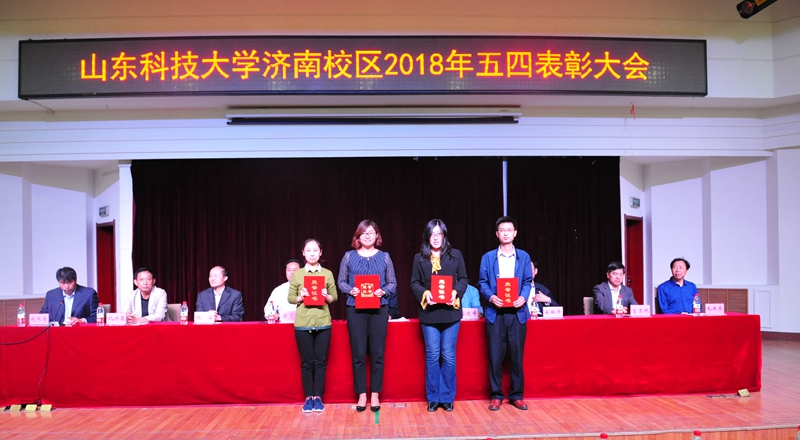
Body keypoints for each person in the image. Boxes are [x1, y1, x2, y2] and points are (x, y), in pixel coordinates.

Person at [337, 219, 397, 413]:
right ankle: (362, 394)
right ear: (358, 236)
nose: (367, 236)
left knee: (378, 353)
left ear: (377, 235)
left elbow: (392, 283)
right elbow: (341, 281)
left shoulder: (385, 257)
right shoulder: (349, 256)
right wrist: (351, 290)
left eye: (371, 232)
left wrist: (383, 291)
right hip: (355, 308)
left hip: (379, 309)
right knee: (358, 352)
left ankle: (375, 393)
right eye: (364, 233)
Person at [410, 219, 468, 412]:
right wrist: (425, 294)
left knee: (449, 355)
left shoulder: (455, 255)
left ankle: (447, 397)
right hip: (430, 314)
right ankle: (433, 397)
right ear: (427, 237)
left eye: (439, 234)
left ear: (444, 236)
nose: (436, 238)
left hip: (451, 313)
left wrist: (455, 292)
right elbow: (414, 283)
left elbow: (464, 279)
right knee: (433, 355)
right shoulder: (419, 258)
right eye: (432, 234)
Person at [478, 216, 533, 411]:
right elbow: (482, 282)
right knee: (495, 356)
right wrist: (491, 297)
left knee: (516, 357)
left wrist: (524, 297)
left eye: (509, 230)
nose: (506, 233)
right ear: (497, 234)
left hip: (517, 313)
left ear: (515, 233)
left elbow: (527, 281)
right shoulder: (488, 257)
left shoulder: (523, 257)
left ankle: (517, 395)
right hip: (496, 313)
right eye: (502, 230)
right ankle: (496, 395)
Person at [288, 238, 338, 413]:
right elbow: (290, 298)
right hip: (303, 324)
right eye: (308, 250)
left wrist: (326, 296)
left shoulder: (327, 273)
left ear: (320, 252)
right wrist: (300, 297)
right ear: (303, 252)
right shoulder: (298, 274)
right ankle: (308, 397)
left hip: (323, 323)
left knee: (320, 362)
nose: (312, 253)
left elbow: (334, 297)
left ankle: (318, 397)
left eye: (315, 250)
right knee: (306, 363)